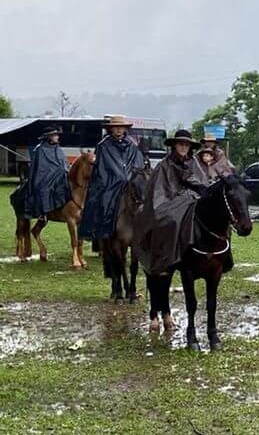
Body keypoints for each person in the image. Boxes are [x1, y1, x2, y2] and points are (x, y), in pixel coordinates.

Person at [136, 128, 212, 330]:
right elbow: (159, 194)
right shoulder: (163, 166)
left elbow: (201, 184)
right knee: (167, 219)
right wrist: (181, 198)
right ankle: (162, 258)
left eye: (186, 145)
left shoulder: (194, 163)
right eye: (180, 144)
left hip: (190, 202)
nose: (183, 148)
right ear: (173, 146)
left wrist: (199, 193)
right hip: (168, 205)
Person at [77, 114, 145, 243]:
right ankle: (102, 231)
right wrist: (117, 178)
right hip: (109, 181)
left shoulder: (132, 145)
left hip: (130, 181)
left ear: (125, 129)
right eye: (116, 127)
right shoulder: (104, 145)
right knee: (103, 200)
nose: (119, 130)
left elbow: (137, 164)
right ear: (111, 129)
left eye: (121, 127)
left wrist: (130, 177)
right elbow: (101, 167)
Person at [22, 126, 71, 218]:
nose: (58, 137)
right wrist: (53, 173)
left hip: (61, 177)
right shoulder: (40, 150)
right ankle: (42, 213)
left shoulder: (58, 149)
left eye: (57, 135)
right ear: (49, 137)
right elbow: (40, 169)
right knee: (44, 190)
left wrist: (66, 170)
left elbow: (64, 164)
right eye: (55, 135)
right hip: (44, 179)